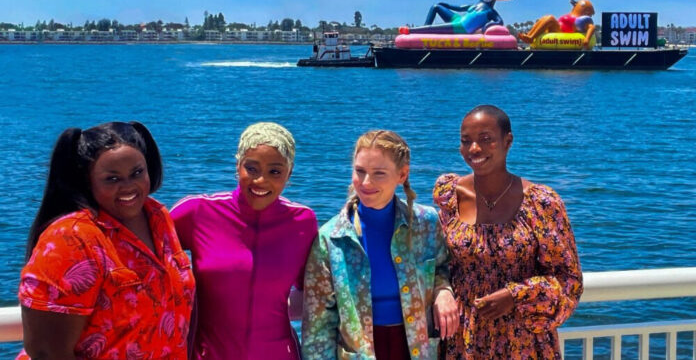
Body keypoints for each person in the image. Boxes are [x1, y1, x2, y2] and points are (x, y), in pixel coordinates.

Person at [18, 121, 195, 359]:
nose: (128, 186)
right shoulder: (72, 238)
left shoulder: (157, 215)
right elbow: (46, 352)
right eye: (112, 179)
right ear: (87, 181)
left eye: (137, 173)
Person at [432, 105, 583, 359]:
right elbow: (436, 262)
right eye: (466, 141)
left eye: (486, 139)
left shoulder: (541, 203)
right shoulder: (450, 196)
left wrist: (516, 295)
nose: (474, 149)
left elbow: (569, 281)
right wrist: (442, 291)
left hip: (522, 341)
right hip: (463, 338)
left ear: (507, 141)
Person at [302, 130, 458, 360]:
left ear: (402, 174)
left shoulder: (426, 223)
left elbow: (442, 269)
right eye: (360, 171)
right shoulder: (331, 239)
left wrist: (443, 292)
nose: (366, 182)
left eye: (379, 173)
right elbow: (318, 327)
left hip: (418, 350)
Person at [170, 122, 317, 360]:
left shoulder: (302, 221)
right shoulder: (197, 212)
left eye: (275, 171)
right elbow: (143, 252)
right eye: (252, 168)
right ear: (237, 166)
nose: (260, 180)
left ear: (289, 174)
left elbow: (312, 292)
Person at [402, 0, 513, 35]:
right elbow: (459, 8)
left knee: (436, 27)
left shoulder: (491, 12)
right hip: (458, 20)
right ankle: (424, 30)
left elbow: (499, 21)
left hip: (462, 27)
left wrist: (487, 26)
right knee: (436, 7)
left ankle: (410, 31)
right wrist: (445, 5)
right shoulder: (475, 5)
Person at [518, 0, 596, 48]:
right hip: (556, 30)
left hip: (562, 33)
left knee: (550, 18)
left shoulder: (583, 20)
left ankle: (531, 38)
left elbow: (591, 27)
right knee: (545, 18)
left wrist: (587, 39)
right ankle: (529, 35)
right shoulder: (572, 15)